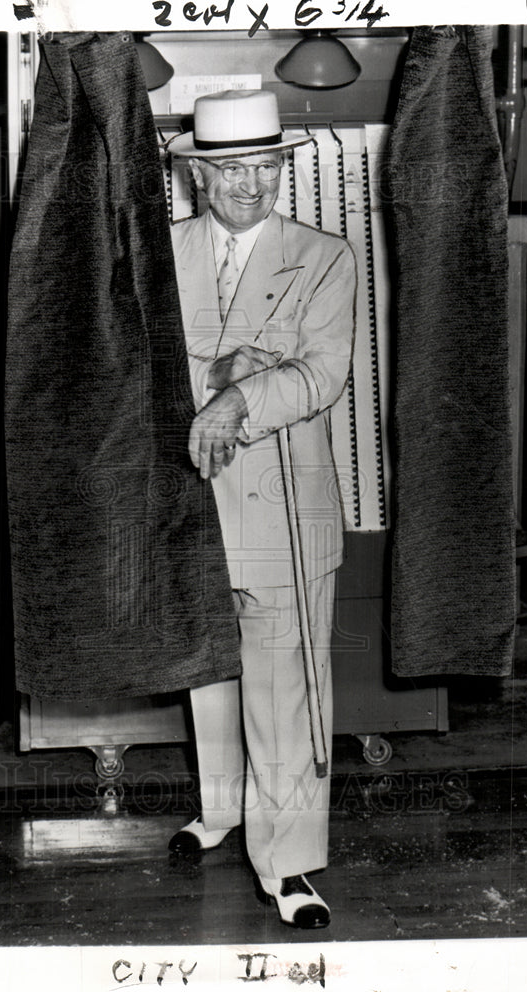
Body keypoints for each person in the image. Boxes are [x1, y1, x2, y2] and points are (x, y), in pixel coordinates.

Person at [166, 90, 357, 929]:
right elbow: (140, 364)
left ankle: (286, 865)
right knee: (205, 672)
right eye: (232, 168)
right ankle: (219, 812)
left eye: (267, 165)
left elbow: (321, 375)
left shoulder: (323, 256)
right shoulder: (157, 252)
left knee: (284, 688)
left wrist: (237, 396)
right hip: (185, 500)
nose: (252, 183)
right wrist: (228, 373)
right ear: (198, 176)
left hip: (285, 507)